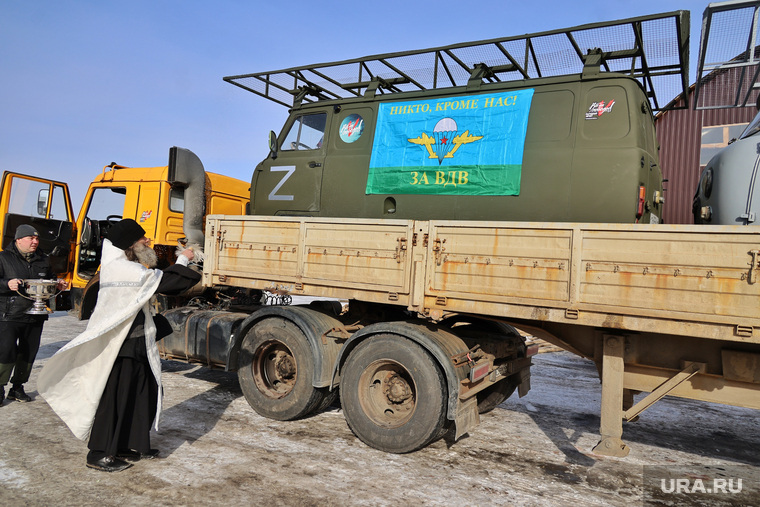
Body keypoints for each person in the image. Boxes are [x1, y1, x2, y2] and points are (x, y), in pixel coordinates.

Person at [38, 219, 201, 472]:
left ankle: (129, 444)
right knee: (115, 398)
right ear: (129, 244)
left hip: (135, 342)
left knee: (140, 393)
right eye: (142, 239)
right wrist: (183, 260)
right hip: (121, 347)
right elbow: (166, 283)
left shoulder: (127, 266)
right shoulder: (124, 269)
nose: (148, 242)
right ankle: (99, 453)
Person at [0, 224, 66, 406]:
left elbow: (49, 279)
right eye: (31, 238)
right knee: (6, 352)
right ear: (18, 240)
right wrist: (7, 284)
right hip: (9, 314)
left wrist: (57, 283)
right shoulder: (3, 258)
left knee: (28, 352)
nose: (35, 242)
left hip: (35, 315)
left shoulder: (42, 260)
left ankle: (17, 387)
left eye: (37, 239)